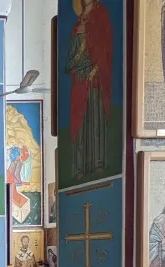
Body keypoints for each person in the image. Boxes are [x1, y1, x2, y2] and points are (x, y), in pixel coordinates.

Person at [65, 0, 113, 180]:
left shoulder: (101, 15)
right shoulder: (78, 21)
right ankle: (79, 167)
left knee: (95, 119)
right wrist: (78, 41)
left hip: (95, 77)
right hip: (79, 78)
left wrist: (96, 69)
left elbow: (105, 45)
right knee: (79, 120)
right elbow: (70, 58)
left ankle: (98, 162)